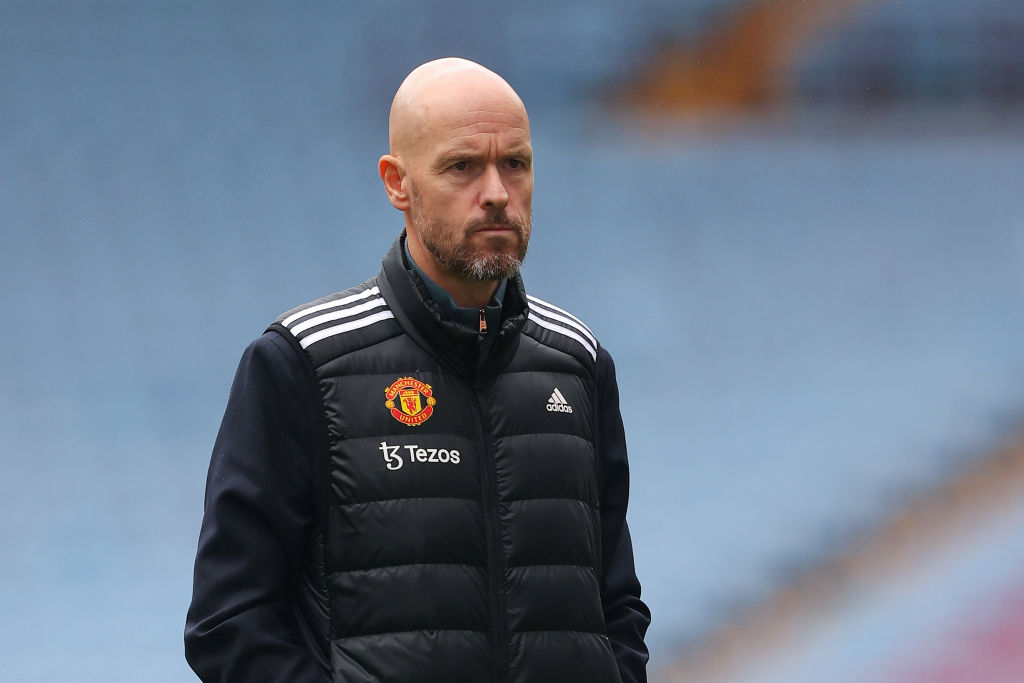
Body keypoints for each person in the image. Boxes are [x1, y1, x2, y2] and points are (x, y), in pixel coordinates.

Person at [185, 57, 650, 683]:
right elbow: (229, 625)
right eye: (462, 166)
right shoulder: (301, 364)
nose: (495, 193)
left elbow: (616, 607)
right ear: (396, 182)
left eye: (515, 163)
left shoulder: (579, 363)